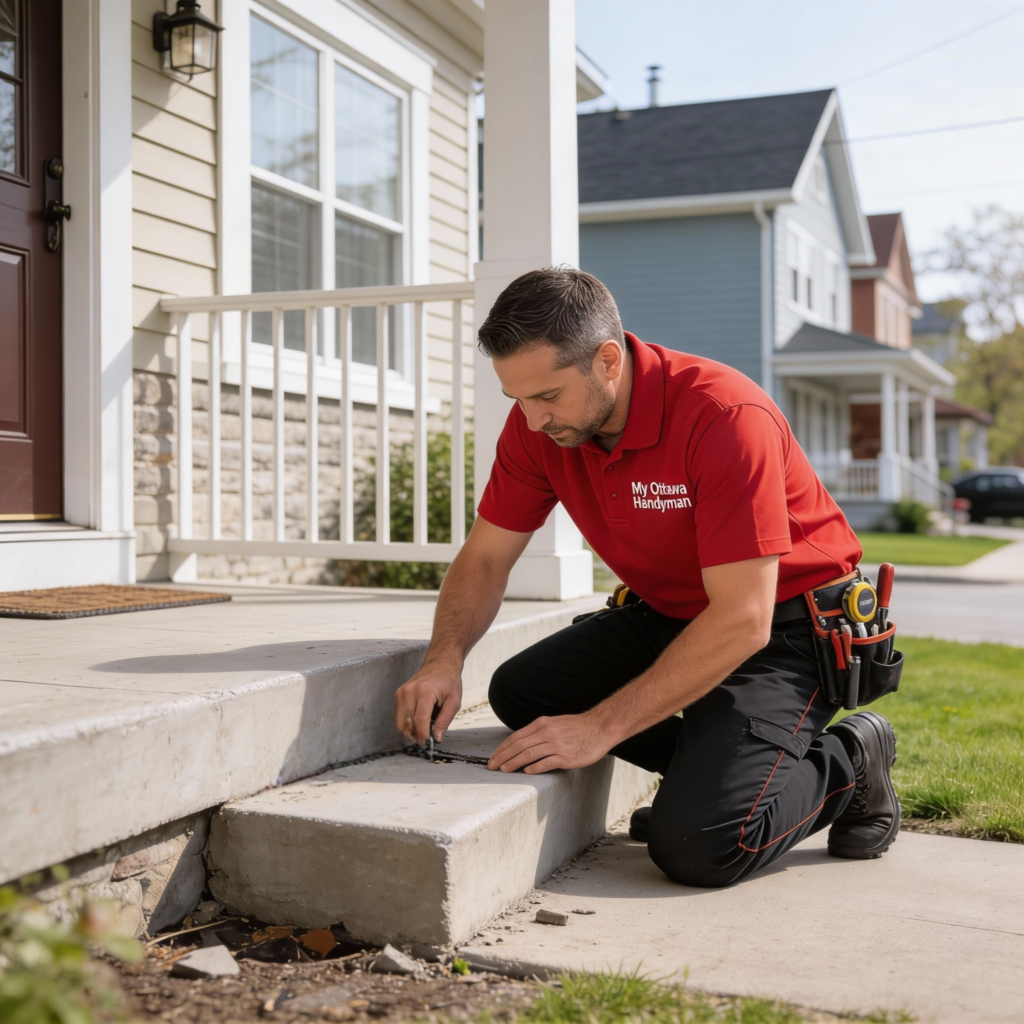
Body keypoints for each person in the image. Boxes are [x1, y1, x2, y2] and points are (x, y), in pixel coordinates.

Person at [393, 267, 899, 887]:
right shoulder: (541, 430)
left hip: (785, 630)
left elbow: (743, 619)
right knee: (523, 692)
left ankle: (852, 759)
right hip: (672, 615)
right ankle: (707, 776)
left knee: (703, 845)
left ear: (607, 360)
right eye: (516, 400)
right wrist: (443, 658)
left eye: (547, 396)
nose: (531, 420)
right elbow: (487, 557)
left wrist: (601, 729)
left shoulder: (724, 415)